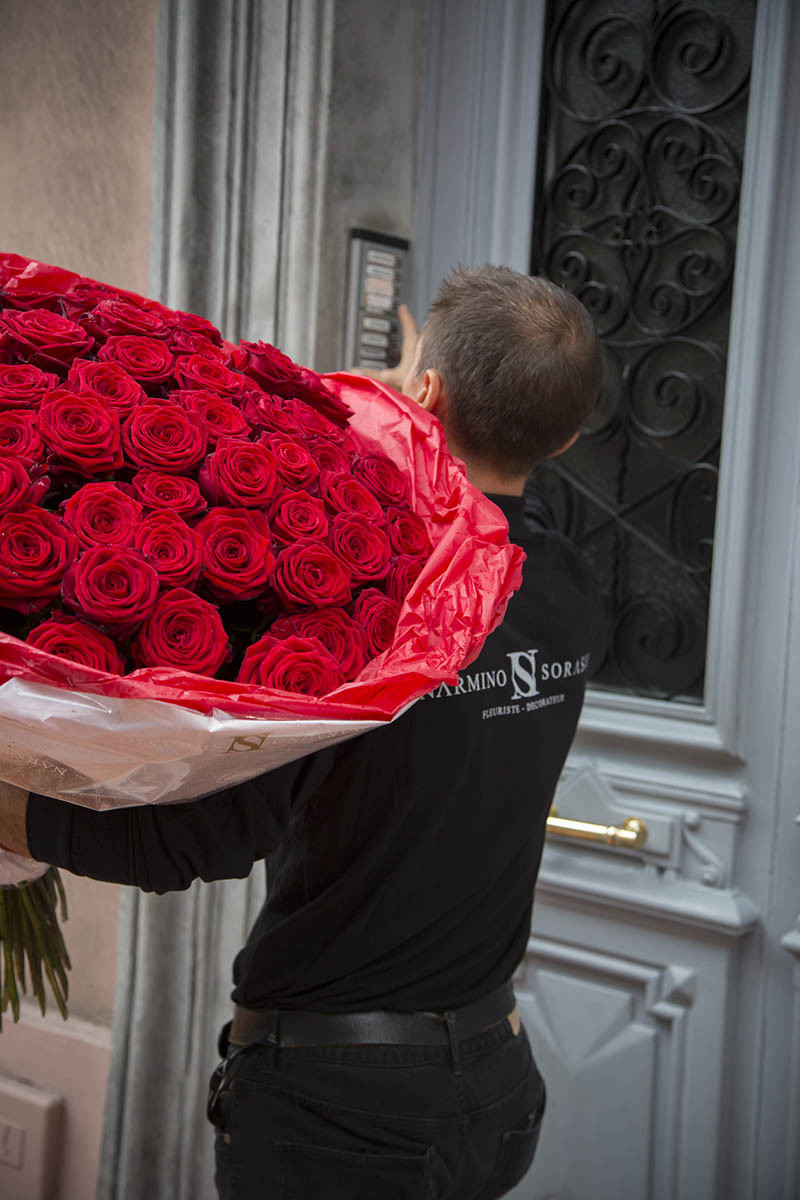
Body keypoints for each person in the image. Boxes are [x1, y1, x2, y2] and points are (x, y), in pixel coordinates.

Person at [0, 265, 602, 1199]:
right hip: (496, 1079)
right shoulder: (566, 584)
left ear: (424, 392)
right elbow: (500, 485)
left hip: (343, 1114)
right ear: (567, 436)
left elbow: (191, 838)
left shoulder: (382, 609)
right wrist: (431, 392)